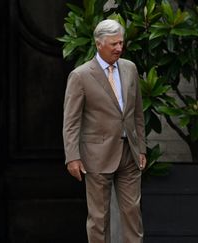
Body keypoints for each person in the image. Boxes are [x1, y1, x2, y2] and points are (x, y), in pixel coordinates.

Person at [63, 19, 147, 243]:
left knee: (133, 214)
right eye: (113, 44)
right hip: (97, 156)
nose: (119, 48)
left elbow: (137, 112)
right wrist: (72, 157)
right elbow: (71, 121)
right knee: (99, 218)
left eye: (121, 43)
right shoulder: (80, 76)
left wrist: (142, 148)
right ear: (99, 44)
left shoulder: (130, 68)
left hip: (129, 152)